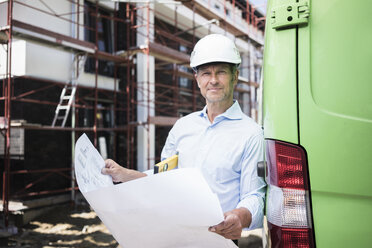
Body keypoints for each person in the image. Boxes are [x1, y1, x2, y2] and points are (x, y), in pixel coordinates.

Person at [102, 34, 266, 242]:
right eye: (206, 73)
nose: (213, 80)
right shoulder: (183, 127)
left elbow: (255, 196)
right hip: (174, 234)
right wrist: (124, 175)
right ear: (197, 79)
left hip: (217, 240)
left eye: (221, 72)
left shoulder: (251, 134)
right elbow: (164, 179)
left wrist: (239, 218)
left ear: (235, 76)